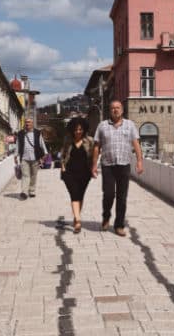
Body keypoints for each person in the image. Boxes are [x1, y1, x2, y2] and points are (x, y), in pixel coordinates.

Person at [91, 100, 144, 237]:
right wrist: (94, 165)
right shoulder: (102, 126)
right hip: (107, 165)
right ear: (110, 110)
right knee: (108, 194)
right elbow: (96, 146)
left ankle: (119, 225)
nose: (115, 110)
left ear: (122, 110)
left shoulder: (130, 125)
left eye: (118, 108)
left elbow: (136, 144)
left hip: (124, 164)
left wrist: (139, 161)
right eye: (113, 108)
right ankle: (106, 217)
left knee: (122, 197)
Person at [60, 117, 94, 233]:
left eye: (80, 129)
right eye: (76, 129)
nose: (78, 131)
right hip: (69, 173)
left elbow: (95, 153)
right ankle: (78, 220)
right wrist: (63, 168)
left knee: (80, 196)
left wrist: (93, 168)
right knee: (74, 194)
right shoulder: (68, 140)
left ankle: (76, 216)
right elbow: (63, 154)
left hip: (85, 173)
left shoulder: (89, 140)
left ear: (83, 129)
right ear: (72, 130)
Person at [15, 118, 47, 200]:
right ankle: (24, 192)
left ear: (32, 123)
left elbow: (41, 143)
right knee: (25, 175)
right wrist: (15, 155)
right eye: (26, 122)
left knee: (33, 175)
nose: (27, 124)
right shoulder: (20, 133)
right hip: (24, 158)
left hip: (35, 157)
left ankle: (32, 191)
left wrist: (45, 152)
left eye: (29, 122)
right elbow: (18, 145)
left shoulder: (37, 133)